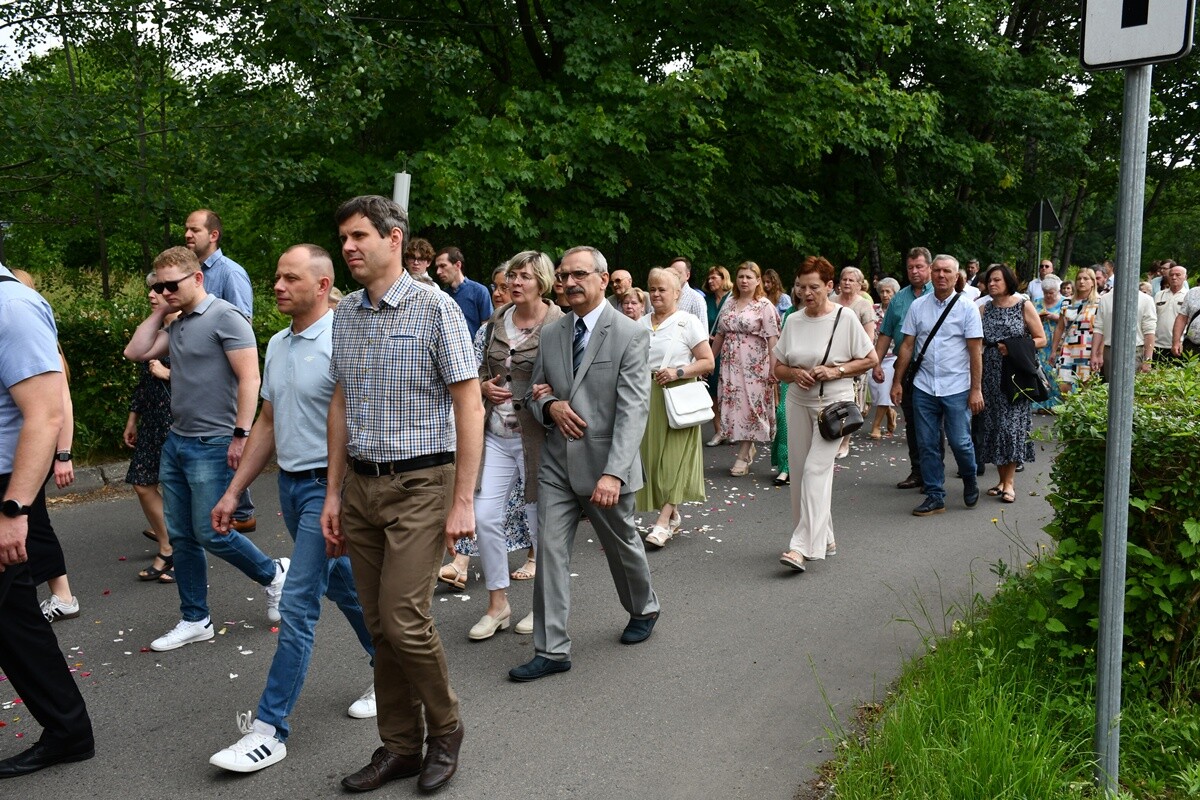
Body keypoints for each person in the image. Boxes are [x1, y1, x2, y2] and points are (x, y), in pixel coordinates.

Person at [321, 196, 481, 793]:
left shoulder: (436, 308)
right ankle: (400, 747)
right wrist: (334, 493)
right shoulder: (346, 315)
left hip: (422, 481)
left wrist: (463, 499)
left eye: (359, 236)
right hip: (361, 484)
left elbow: (469, 402)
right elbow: (341, 403)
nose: (349, 248)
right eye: (343, 239)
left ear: (394, 238)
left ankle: (447, 729)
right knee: (380, 626)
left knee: (405, 619)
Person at [204, 244, 376, 774]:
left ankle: (269, 729)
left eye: (290, 278)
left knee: (299, 603)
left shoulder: (344, 339)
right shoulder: (278, 343)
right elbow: (268, 422)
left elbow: (354, 423)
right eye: (275, 276)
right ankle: (394, 670)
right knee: (345, 585)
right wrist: (234, 491)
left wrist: (336, 495)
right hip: (294, 488)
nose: (277, 285)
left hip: (333, 489)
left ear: (323, 285)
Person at [123, 247, 287, 652]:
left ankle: (273, 574)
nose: (163, 291)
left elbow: (251, 378)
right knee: (181, 536)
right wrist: (162, 310)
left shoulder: (225, 317)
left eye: (170, 285)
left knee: (211, 532)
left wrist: (241, 434)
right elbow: (136, 351)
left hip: (214, 441)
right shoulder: (177, 323)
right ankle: (196, 618)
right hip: (177, 440)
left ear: (197, 278)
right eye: (157, 285)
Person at [509, 245, 659, 682]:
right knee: (550, 553)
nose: (570, 282)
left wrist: (613, 472)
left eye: (579, 274)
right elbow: (534, 392)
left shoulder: (630, 333)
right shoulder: (554, 333)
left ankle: (643, 607)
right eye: (563, 276)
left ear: (602, 278)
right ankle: (552, 649)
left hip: (605, 467)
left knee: (622, 546)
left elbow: (634, 410)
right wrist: (551, 405)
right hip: (557, 464)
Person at [0, 262, 95, 779]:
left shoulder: (11, 307)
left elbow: (46, 413)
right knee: (13, 621)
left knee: (13, 620)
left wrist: (15, 509)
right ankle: (68, 731)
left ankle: (69, 731)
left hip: (4, 489)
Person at [468, 251, 562, 641]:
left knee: (541, 521)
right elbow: (469, 371)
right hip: (495, 436)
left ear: (541, 281)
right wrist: (481, 385)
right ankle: (498, 604)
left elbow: (576, 376)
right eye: (512, 277)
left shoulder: (560, 325)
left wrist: (554, 391)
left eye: (524, 277)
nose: (515, 283)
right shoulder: (493, 324)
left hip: (537, 438)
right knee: (485, 518)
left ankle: (543, 607)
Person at [772, 257, 877, 571]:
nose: (807, 293)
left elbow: (870, 359)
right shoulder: (793, 320)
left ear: (829, 287)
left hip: (834, 409)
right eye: (802, 287)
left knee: (816, 471)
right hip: (798, 403)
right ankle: (825, 535)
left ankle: (800, 546)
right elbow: (777, 368)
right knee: (801, 475)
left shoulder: (845, 318)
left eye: (814, 287)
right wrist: (794, 373)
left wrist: (837, 371)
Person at [7, 270, 81, 621]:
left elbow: (59, 404)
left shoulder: (24, 327)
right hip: (25, 449)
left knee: (33, 524)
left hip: (29, 453)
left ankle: (63, 596)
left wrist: (63, 454)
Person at [890, 254, 984, 516]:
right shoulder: (918, 307)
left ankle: (969, 477)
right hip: (923, 387)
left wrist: (976, 389)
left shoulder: (967, 308)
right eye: (938, 271)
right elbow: (907, 345)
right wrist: (897, 381)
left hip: (957, 386)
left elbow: (975, 352)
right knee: (927, 443)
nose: (941, 275)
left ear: (957, 276)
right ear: (932, 273)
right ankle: (935, 495)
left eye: (947, 272)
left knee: (960, 441)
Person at [183, 209, 256, 532]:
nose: (187, 235)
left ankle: (242, 512)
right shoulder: (188, 272)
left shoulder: (230, 272)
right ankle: (195, 511)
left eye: (194, 229)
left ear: (213, 235)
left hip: (223, 375)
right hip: (193, 374)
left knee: (226, 440)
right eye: (185, 229)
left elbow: (242, 325)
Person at [638, 268, 714, 547]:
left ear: (677, 294)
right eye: (652, 289)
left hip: (679, 397)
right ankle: (673, 515)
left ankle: (662, 523)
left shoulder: (687, 322)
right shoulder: (640, 324)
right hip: (647, 397)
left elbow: (707, 362)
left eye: (662, 290)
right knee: (654, 462)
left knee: (676, 461)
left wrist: (678, 371)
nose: (656, 295)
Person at [124, 272, 179, 583]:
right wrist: (133, 417)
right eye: (151, 289)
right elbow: (143, 381)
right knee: (142, 483)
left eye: (159, 288)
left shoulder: (191, 329)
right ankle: (169, 542)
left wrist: (167, 374)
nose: (152, 294)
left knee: (175, 490)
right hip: (152, 422)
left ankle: (171, 550)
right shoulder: (155, 332)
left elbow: (211, 382)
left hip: (178, 421)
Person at [976, 264, 1045, 504]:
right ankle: (1000, 480)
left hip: (1015, 373)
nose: (992, 284)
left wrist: (1012, 347)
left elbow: (1041, 339)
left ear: (1008, 282)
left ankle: (1010, 484)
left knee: (1010, 426)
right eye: (989, 280)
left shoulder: (1022, 305)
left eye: (997, 280)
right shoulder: (984, 308)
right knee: (995, 425)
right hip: (991, 372)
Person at [711, 261, 780, 476]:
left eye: (749, 277)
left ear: (758, 280)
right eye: (741, 276)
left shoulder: (764, 305)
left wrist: (774, 368)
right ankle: (747, 446)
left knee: (751, 407)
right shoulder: (729, 303)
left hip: (754, 364)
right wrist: (709, 361)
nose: (744, 281)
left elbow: (772, 339)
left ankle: (743, 453)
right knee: (732, 405)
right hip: (730, 363)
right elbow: (720, 334)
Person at [874, 247, 934, 490]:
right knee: (912, 421)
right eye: (910, 267)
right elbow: (886, 334)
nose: (915, 271)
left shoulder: (939, 295)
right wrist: (876, 363)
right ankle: (917, 471)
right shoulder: (900, 298)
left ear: (929, 267)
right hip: (905, 367)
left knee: (931, 422)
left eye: (919, 266)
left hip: (933, 367)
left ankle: (933, 473)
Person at [833, 266, 877, 459]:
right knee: (832, 400)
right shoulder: (831, 301)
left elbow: (869, 335)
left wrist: (861, 359)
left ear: (860, 284)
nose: (847, 283)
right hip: (832, 357)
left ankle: (845, 441)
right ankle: (832, 435)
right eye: (844, 279)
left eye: (852, 280)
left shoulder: (863, 305)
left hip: (855, 359)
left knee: (850, 402)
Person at [1090, 267, 1156, 380]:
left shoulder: (1146, 300)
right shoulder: (1105, 299)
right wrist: (1094, 355)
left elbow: (1149, 331)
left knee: (1133, 389)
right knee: (1109, 387)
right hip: (1110, 350)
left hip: (1135, 351)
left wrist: (1148, 360)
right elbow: (1098, 328)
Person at [1052, 266, 1101, 396]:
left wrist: (1098, 352)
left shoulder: (1100, 303)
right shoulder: (1066, 302)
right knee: (1063, 385)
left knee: (1085, 387)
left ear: (1093, 282)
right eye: (1079, 278)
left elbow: (1102, 330)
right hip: (1068, 347)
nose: (1082, 281)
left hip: (1088, 348)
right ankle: (1068, 413)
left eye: (1086, 278)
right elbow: (1060, 327)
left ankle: (1080, 415)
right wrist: (1053, 350)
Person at [867, 277, 900, 438]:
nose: (885, 295)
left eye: (889, 291)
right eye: (882, 291)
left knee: (883, 388)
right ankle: (889, 413)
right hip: (873, 356)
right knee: (875, 390)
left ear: (895, 293)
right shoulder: (872, 309)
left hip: (892, 356)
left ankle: (876, 426)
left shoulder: (898, 310)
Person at [435, 246, 493, 338]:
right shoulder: (443, 296)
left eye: (443, 266)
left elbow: (486, 330)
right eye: (437, 267)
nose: (438, 271)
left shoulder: (479, 291)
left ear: (458, 265)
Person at [704, 265, 733, 446]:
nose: (710, 281)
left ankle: (731, 428)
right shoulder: (705, 300)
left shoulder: (732, 300)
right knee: (712, 390)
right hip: (709, 348)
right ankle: (718, 430)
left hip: (728, 350)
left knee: (729, 390)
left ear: (724, 279)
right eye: (709, 278)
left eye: (715, 277)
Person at [1031, 275, 1065, 411]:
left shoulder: (1064, 302)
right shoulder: (1038, 302)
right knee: (1042, 371)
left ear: (1057, 291)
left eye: (1051, 293)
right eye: (1046, 293)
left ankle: (1056, 403)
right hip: (1041, 341)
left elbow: (1067, 321)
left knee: (1055, 373)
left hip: (1057, 342)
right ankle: (1043, 403)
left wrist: (1056, 317)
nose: (1048, 296)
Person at [1153, 264, 1188, 365]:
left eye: (1178, 275)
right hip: (1157, 345)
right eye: (1171, 275)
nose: (1174, 277)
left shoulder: (1188, 296)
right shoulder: (1159, 295)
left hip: (1179, 346)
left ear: (1185, 277)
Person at [666, 257, 708, 322]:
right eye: (672, 273)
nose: (674, 275)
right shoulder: (664, 296)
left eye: (678, 273)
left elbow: (702, 329)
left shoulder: (696, 299)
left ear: (687, 275)